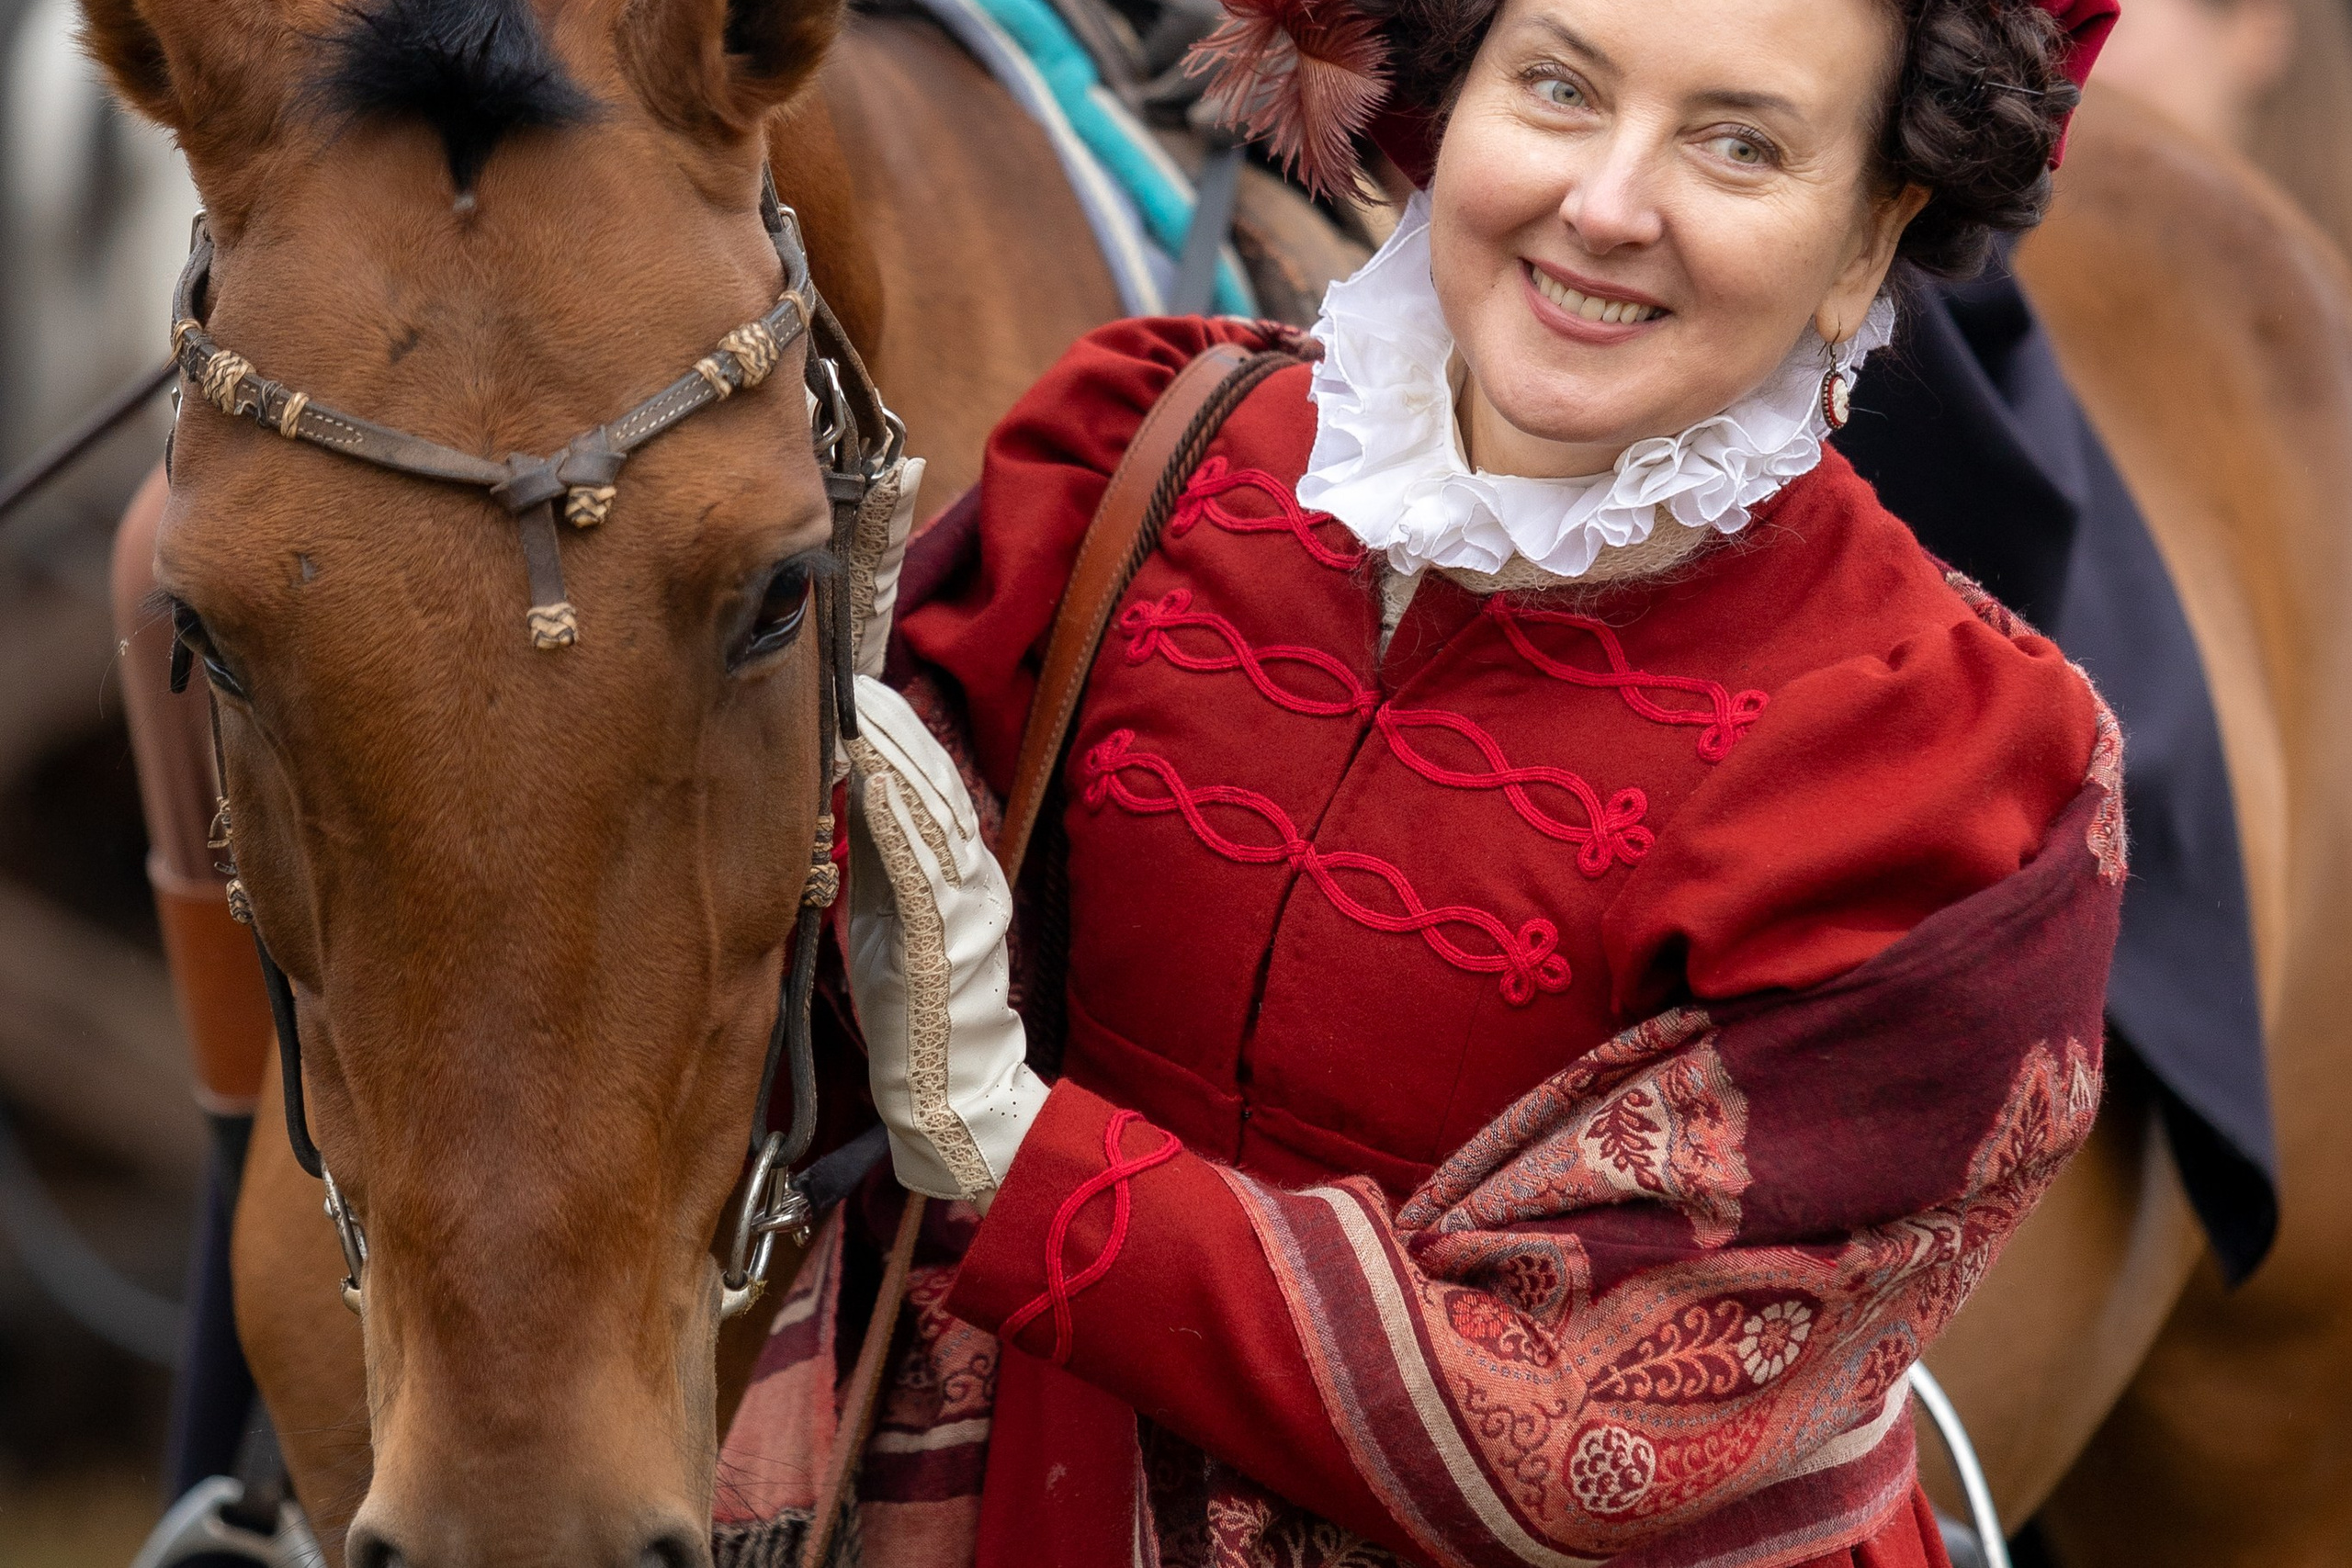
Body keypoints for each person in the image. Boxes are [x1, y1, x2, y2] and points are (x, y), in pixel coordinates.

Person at [715, 1, 2130, 1564]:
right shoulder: (1136, 459)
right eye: (1558, 89)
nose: (1606, 203)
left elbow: (1586, 1435)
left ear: (1874, 234)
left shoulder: (1940, 768)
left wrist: (1010, 1143)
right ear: (1449, 108)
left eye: (1739, 145)